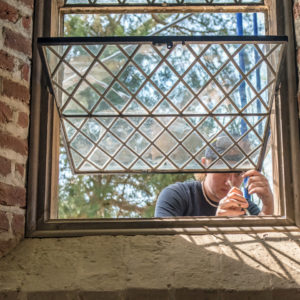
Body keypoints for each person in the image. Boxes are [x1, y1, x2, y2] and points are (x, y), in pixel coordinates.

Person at [155, 136, 274, 217]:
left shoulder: (246, 208)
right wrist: (217, 225)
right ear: (205, 166)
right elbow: (164, 245)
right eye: (223, 170)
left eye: (238, 173)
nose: (230, 181)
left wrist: (268, 205)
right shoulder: (177, 196)